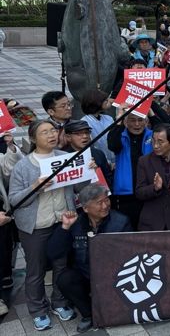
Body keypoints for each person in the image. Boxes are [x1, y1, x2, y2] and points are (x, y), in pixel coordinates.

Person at [9, 120, 77, 330]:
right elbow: (14, 200)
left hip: (62, 222)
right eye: (44, 132)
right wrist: (35, 187)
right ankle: (37, 309)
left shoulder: (65, 158)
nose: (51, 135)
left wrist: (88, 170)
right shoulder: (23, 165)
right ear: (32, 138)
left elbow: (77, 187)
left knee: (61, 265)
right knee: (35, 269)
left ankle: (59, 302)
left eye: (53, 131)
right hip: (35, 226)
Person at [47, 184, 131, 333]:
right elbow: (54, 253)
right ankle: (89, 315)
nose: (105, 205)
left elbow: (131, 253)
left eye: (106, 200)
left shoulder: (121, 221)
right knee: (65, 279)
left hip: (114, 274)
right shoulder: (76, 223)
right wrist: (65, 227)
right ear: (85, 208)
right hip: (86, 274)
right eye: (99, 203)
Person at [135, 124, 170, 231]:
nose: (155, 146)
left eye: (160, 141)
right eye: (153, 141)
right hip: (151, 224)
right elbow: (139, 192)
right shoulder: (144, 161)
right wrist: (154, 188)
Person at [107, 110, 152, 229]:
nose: (137, 124)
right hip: (126, 194)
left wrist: (151, 112)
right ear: (125, 122)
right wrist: (119, 120)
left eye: (140, 120)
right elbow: (112, 144)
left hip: (149, 192)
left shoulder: (153, 136)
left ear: (146, 121)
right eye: (132, 120)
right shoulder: (120, 136)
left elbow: (169, 132)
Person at [62, 120, 113, 186]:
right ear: (68, 137)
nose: (85, 136)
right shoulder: (63, 156)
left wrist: (97, 171)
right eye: (79, 134)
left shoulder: (98, 153)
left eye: (87, 132)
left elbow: (108, 178)